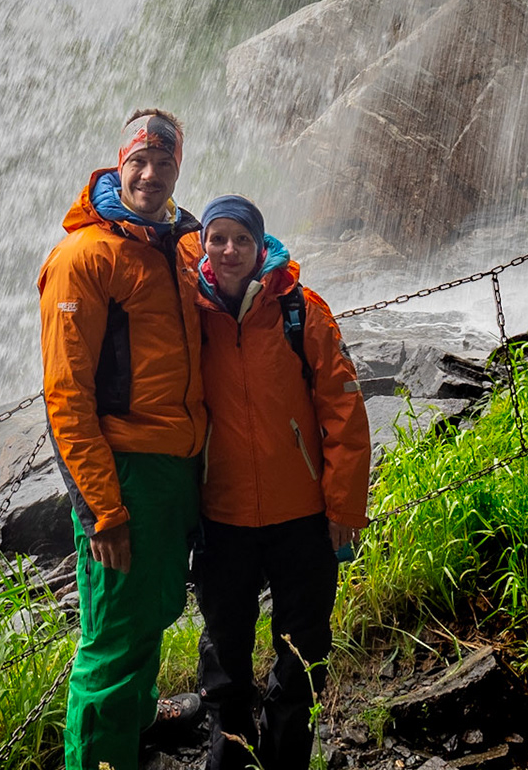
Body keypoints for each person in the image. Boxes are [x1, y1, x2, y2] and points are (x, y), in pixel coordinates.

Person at [39, 109, 208, 770]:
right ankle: (101, 755)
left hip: (178, 466)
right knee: (110, 638)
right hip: (126, 471)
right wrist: (101, 509)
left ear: (176, 167)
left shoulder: (181, 242)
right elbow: (66, 397)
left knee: (152, 606)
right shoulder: (85, 256)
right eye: (138, 161)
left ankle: (135, 719)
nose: (149, 174)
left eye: (163, 163)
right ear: (118, 160)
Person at [190, 194, 369, 770]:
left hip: (302, 516)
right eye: (218, 237)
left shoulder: (301, 311)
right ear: (203, 244)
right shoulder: (187, 314)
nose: (229, 249)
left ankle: (286, 763)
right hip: (222, 519)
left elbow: (343, 411)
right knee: (225, 664)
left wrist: (343, 509)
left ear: (261, 244)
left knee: (301, 658)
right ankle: (230, 762)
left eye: (242, 239)